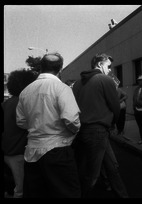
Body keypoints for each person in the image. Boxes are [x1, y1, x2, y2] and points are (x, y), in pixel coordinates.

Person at [16, 53, 81, 198]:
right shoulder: (62, 88)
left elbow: (20, 121)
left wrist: (37, 126)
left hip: (32, 152)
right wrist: (74, 132)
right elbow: (71, 119)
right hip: (58, 149)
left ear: (41, 67)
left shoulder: (26, 92)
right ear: (60, 69)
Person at [72, 53, 128, 198]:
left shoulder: (77, 84)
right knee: (92, 175)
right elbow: (116, 107)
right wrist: (114, 121)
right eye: (108, 66)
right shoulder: (105, 80)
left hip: (81, 131)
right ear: (99, 65)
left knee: (111, 167)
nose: (110, 70)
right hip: (98, 131)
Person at [2, 68, 38, 198]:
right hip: (18, 152)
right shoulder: (23, 102)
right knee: (21, 189)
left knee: (11, 187)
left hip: (6, 150)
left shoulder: (6, 103)